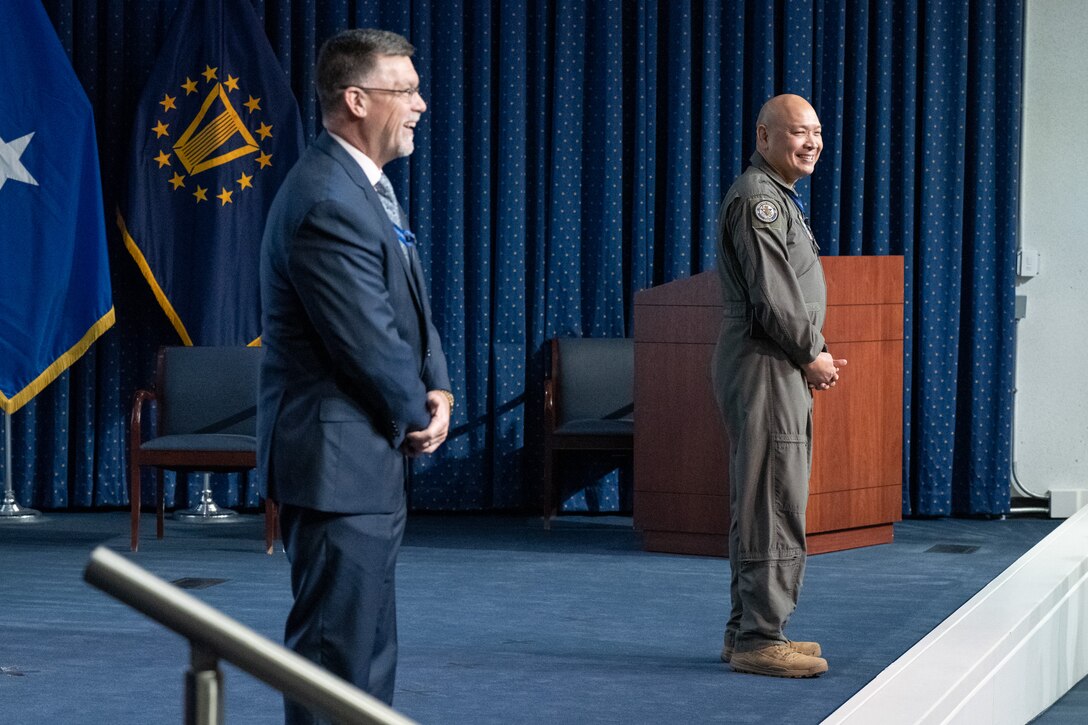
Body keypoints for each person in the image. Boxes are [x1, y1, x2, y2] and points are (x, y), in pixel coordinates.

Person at [257, 28, 453, 719]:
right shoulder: (327, 199)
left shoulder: (363, 188)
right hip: (337, 463)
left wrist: (440, 385)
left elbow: (409, 308)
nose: (422, 104)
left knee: (369, 649)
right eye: (406, 90)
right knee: (334, 655)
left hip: (365, 460)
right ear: (356, 99)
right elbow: (365, 338)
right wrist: (414, 409)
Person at [711, 94, 846, 679]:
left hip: (772, 362)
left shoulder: (775, 195)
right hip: (767, 360)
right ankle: (762, 638)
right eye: (798, 132)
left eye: (816, 132)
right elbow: (772, 297)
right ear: (764, 136)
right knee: (772, 498)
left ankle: (748, 629)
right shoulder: (760, 198)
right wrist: (811, 351)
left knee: (762, 494)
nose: (812, 142)